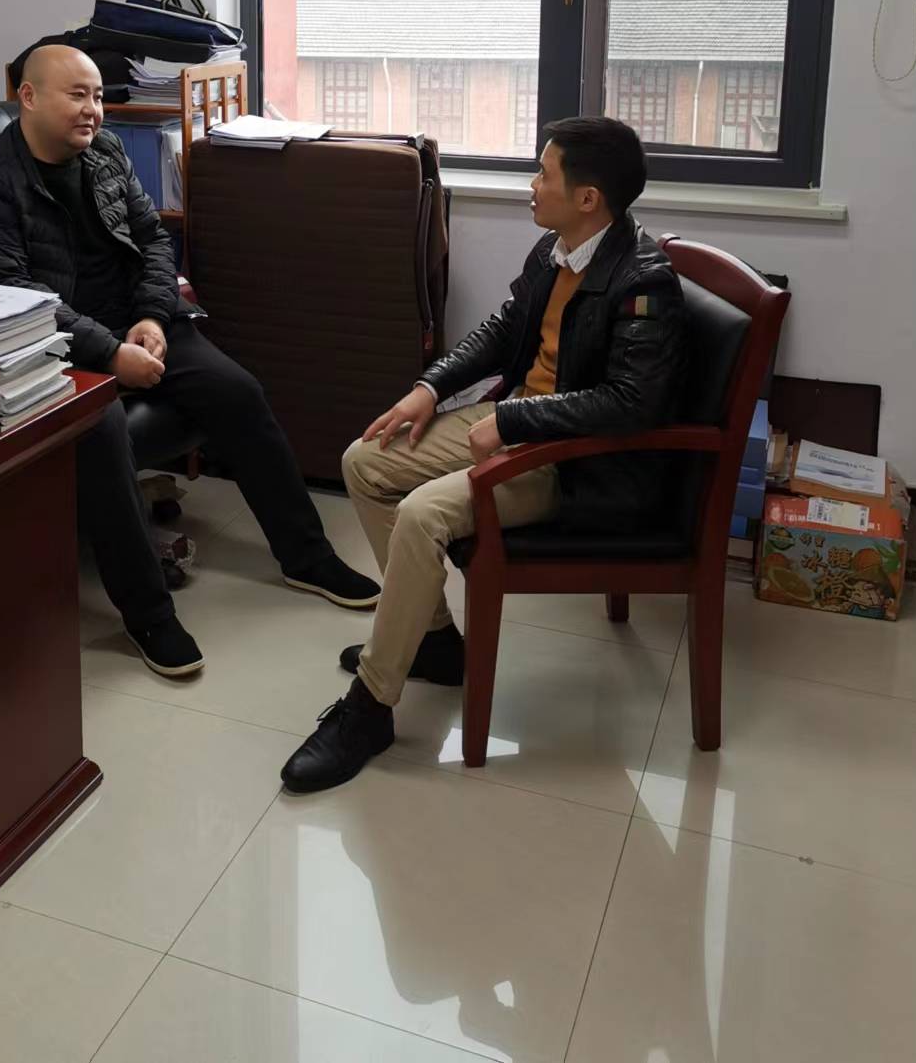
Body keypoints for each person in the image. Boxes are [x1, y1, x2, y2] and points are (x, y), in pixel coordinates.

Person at [280, 116, 686, 793]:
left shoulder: (644, 281)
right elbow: (504, 329)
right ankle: (436, 642)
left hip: (572, 460)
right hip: (518, 419)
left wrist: (514, 419)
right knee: (365, 461)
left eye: (544, 174)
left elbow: (630, 403)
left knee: (422, 514)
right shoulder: (557, 248)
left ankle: (370, 709)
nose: (532, 185)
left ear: (588, 198)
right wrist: (429, 388)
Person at [0, 44, 380, 679]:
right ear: (30, 97)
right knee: (102, 431)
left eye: (98, 96)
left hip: (138, 321)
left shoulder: (106, 153)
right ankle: (148, 614)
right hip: (54, 348)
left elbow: (153, 239)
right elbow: (14, 297)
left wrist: (152, 318)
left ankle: (306, 556)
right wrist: (108, 353)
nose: (93, 110)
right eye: (77, 95)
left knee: (237, 390)